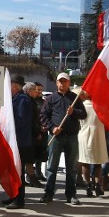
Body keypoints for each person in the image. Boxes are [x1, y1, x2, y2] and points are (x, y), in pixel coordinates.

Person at [40, 72, 86, 205]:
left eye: (65, 81)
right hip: (56, 136)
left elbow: (83, 114)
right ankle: (48, 193)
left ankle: (71, 194)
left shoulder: (75, 98)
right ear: (56, 83)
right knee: (52, 167)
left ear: (69, 83)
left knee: (71, 168)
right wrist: (52, 127)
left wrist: (74, 112)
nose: (62, 83)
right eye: (60, 81)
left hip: (71, 136)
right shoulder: (51, 99)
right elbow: (43, 115)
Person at [5, 75, 33, 209]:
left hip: (20, 141)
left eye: (10, 85)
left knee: (18, 171)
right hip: (16, 140)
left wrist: (7, 123)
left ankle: (19, 199)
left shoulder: (22, 100)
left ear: (15, 86)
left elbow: (21, 121)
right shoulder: (16, 99)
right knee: (14, 170)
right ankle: (14, 195)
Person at [76, 89, 107, 197]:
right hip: (97, 133)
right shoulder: (99, 107)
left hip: (85, 133)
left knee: (86, 162)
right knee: (97, 161)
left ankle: (89, 184)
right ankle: (97, 184)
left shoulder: (82, 106)